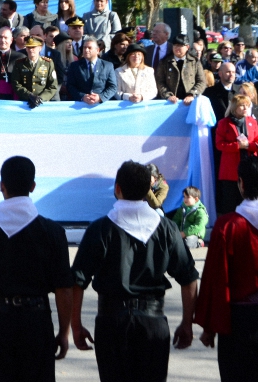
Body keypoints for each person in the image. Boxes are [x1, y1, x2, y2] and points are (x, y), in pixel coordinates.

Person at [70, 160, 199, 382]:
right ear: (148, 190)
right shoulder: (167, 228)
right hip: (153, 322)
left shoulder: (100, 228)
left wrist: (75, 325)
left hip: (112, 323)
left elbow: (77, 282)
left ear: (117, 188)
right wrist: (187, 323)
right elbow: (189, 279)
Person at [0, 156, 73, 381]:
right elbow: (64, 289)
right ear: (32, 186)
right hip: (37, 323)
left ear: (2, 186)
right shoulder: (53, 232)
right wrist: (63, 331)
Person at [194, 159, 258, 380]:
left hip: (240, 324)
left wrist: (209, 326)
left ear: (241, 183)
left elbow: (216, 279)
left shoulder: (228, 226)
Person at [216, 94, 258, 214]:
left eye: (247, 106)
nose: (245, 108)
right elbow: (219, 144)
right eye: (242, 106)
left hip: (249, 167)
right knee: (230, 201)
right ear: (234, 108)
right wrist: (237, 146)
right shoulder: (223, 123)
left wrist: (248, 146)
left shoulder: (252, 122)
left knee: (249, 199)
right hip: (230, 169)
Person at [66, 37, 118, 104]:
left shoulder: (108, 66)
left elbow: (113, 87)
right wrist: (83, 96)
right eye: (84, 47)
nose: (86, 50)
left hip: (101, 105)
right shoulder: (75, 66)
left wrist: (100, 97)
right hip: (80, 105)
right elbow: (70, 86)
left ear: (97, 50)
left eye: (89, 48)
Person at [155, 35, 206, 103]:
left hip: (190, 102)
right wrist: (168, 95)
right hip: (170, 102)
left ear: (187, 47)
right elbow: (160, 81)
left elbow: (201, 81)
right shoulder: (164, 62)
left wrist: (192, 94)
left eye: (180, 46)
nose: (177, 48)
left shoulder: (194, 62)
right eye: (175, 45)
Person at [12, 36, 58, 107]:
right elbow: (16, 84)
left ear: (40, 48)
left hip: (43, 103)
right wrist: (29, 96)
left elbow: (53, 86)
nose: (31, 50)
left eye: (33, 47)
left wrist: (41, 98)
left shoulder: (48, 63)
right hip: (25, 102)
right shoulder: (19, 64)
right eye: (28, 47)